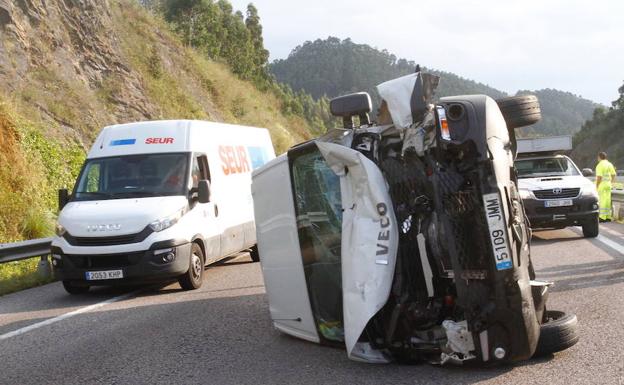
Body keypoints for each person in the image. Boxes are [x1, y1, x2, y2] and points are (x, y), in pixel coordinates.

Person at [595, 152, 617, 222]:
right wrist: (612, 183)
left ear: (599, 157)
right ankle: (608, 216)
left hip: (602, 185)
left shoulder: (599, 165)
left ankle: (602, 217)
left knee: (602, 200)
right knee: (608, 200)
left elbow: (599, 177)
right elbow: (613, 174)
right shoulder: (609, 164)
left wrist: (597, 185)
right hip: (608, 184)